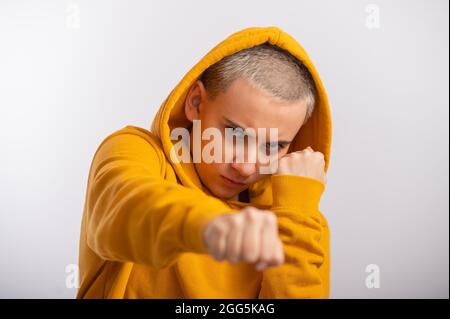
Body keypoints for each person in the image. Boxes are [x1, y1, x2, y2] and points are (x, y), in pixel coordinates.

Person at [77, 26, 332, 298]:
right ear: (196, 102)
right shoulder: (134, 151)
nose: (245, 167)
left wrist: (296, 217)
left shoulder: (300, 222)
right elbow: (126, 207)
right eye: (235, 135)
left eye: (273, 146)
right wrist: (211, 226)